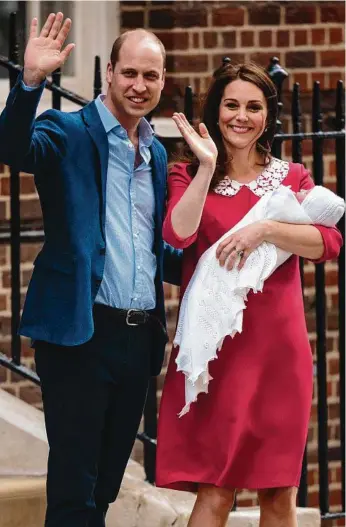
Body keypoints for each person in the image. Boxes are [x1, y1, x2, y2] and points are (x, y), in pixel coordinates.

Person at [0, 12, 181, 527]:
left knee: (103, 490)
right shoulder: (66, 131)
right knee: (75, 494)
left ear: (162, 81)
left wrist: (217, 264)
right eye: (130, 73)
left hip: (137, 339)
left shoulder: (156, 153)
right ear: (108, 73)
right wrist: (30, 82)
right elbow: (11, 148)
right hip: (81, 334)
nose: (140, 85)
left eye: (151, 76)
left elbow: (152, 252)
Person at [156, 62, 343, 527]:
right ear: (216, 111)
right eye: (232, 105)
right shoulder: (186, 172)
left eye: (254, 107)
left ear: (268, 115)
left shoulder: (292, 176)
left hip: (280, 353)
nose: (242, 116)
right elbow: (178, 236)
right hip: (221, 352)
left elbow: (328, 242)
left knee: (280, 493)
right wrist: (204, 167)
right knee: (217, 489)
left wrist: (267, 228)